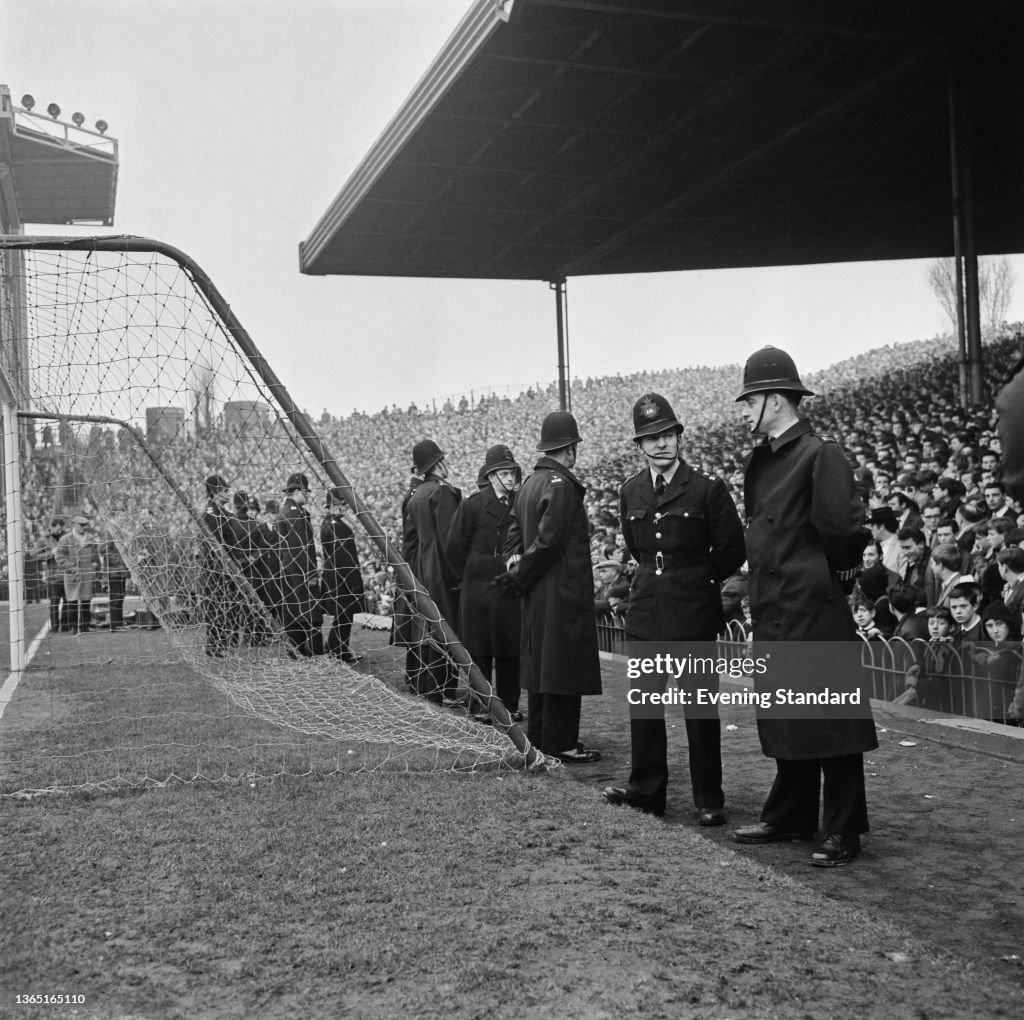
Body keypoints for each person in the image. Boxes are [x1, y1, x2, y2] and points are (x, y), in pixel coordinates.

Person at [732, 346, 877, 868]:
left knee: (831, 718)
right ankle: (791, 814)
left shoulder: (821, 453)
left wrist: (834, 574)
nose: (745, 409)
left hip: (812, 605)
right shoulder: (763, 458)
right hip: (775, 605)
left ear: (777, 400)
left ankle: (844, 828)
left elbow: (844, 529)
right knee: (789, 711)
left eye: (751, 399)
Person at [602, 392, 744, 822]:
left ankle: (708, 799)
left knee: (700, 707)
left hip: (693, 609)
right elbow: (636, 546)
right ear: (639, 446)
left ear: (679, 437)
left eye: (667, 434)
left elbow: (731, 550)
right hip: (647, 609)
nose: (661, 443)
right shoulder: (631, 491)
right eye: (651, 438)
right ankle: (647, 792)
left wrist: (695, 578)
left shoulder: (706, 488)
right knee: (644, 705)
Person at [504, 411, 602, 762]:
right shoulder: (560, 485)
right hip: (561, 588)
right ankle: (562, 742)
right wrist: (522, 576)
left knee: (542, 666)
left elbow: (513, 539)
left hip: (537, 592)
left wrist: (516, 572)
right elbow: (549, 542)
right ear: (570, 448)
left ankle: (541, 736)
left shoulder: (530, 483)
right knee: (563, 666)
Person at [445, 444, 524, 721]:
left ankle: (510, 707)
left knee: (509, 651)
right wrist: (469, 576)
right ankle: (481, 706)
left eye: (513, 472)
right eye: (504, 473)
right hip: (478, 589)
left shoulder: (521, 502)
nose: (511, 478)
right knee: (479, 652)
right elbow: (454, 547)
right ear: (491, 476)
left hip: (509, 588)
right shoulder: (472, 505)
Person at [402, 440, 462, 703]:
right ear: (438, 463)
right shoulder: (442, 492)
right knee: (444, 627)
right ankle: (442, 690)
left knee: (429, 629)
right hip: (441, 569)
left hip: (423, 568)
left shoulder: (417, 495)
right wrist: (459, 574)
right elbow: (452, 539)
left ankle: (428, 687)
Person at [200, 474, 249, 656]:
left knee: (227, 607)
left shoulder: (221, 513)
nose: (228, 493)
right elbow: (217, 545)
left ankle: (222, 643)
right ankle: (215, 645)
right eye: (224, 490)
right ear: (215, 492)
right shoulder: (212, 514)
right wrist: (227, 566)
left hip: (226, 567)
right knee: (217, 608)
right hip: (217, 569)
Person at [279, 472, 323, 656]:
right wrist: (310, 573)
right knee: (309, 613)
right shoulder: (295, 514)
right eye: (306, 491)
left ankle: (296, 649)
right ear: (297, 491)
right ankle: (311, 651)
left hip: (290, 570)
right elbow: (301, 547)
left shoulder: (286, 510)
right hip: (299, 571)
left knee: (293, 612)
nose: (308, 495)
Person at [321, 487, 365, 663]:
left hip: (338, 577)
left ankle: (337, 646)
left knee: (344, 615)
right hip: (342, 578)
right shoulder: (335, 526)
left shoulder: (331, 523)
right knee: (344, 615)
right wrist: (352, 581)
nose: (346, 507)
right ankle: (337, 648)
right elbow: (343, 558)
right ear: (335, 504)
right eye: (343, 503)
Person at [54, 511, 100, 635]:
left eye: (85, 525)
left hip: (87, 574)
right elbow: (59, 558)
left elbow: (96, 557)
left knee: (86, 601)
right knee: (72, 602)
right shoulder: (65, 539)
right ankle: (73, 626)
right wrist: (72, 567)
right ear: (74, 525)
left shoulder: (91, 540)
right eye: (81, 525)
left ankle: (85, 625)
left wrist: (95, 566)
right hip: (72, 574)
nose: (84, 527)